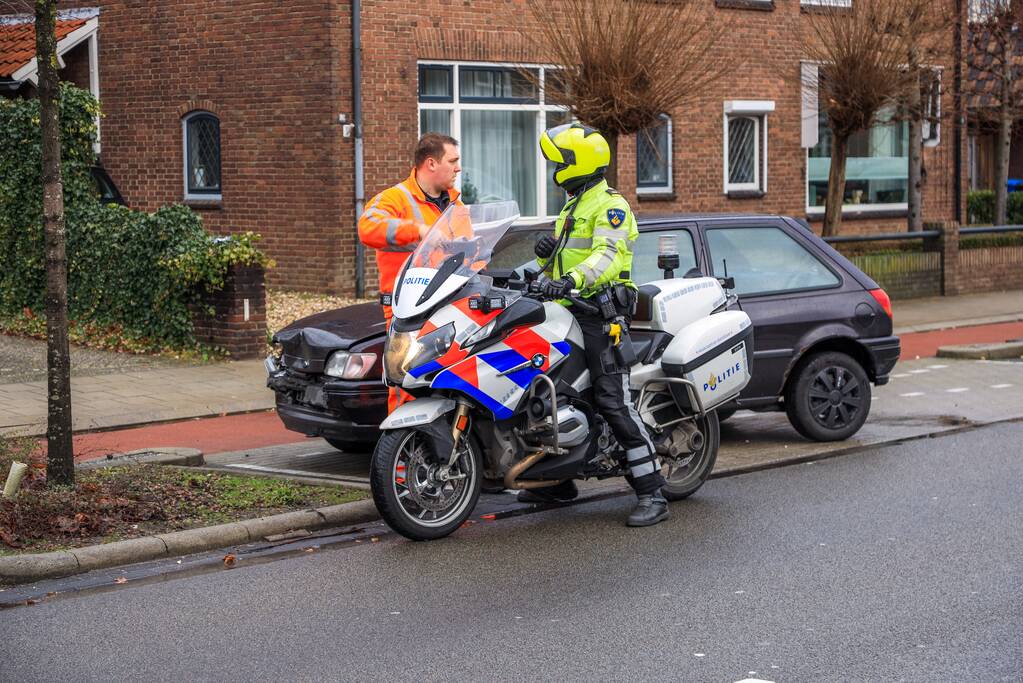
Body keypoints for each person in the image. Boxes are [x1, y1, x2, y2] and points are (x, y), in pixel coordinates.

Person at [529, 122, 668, 527]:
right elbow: (560, 265)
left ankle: (652, 491)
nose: (553, 168)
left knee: (612, 400)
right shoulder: (573, 206)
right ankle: (555, 480)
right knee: (557, 393)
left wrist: (570, 281)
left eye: (558, 161)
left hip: (598, 316)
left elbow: (606, 258)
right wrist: (540, 263)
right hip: (567, 311)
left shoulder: (610, 206)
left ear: (577, 164)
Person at [358, 133, 462, 412]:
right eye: (452, 161)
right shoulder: (396, 198)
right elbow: (368, 228)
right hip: (407, 311)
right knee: (407, 386)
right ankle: (404, 453)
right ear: (431, 163)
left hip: (449, 308)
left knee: (448, 385)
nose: (458, 168)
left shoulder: (456, 206)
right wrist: (416, 231)